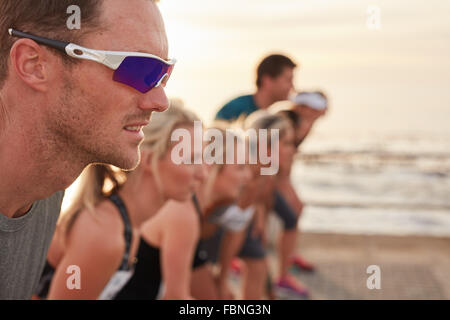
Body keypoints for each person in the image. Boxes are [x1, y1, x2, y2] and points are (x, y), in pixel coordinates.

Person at [0, 0, 173, 299]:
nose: (160, 101)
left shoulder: (48, 187)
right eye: (139, 69)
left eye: (163, 74)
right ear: (34, 64)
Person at [34, 103, 203, 300]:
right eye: (191, 160)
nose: (203, 174)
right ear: (149, 161)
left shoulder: (127, 224)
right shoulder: (105, 233)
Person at [115, 126, 251, 300]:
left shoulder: (194, 207)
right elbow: (175, 297)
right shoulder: (183, 212)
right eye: (240, 168)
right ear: (213, 167)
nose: (248, 176)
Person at [216, 54, 296, 121]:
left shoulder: (274, 116)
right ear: (267, 81)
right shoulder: (234, 110)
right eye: (288, 80)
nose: (292, 86)